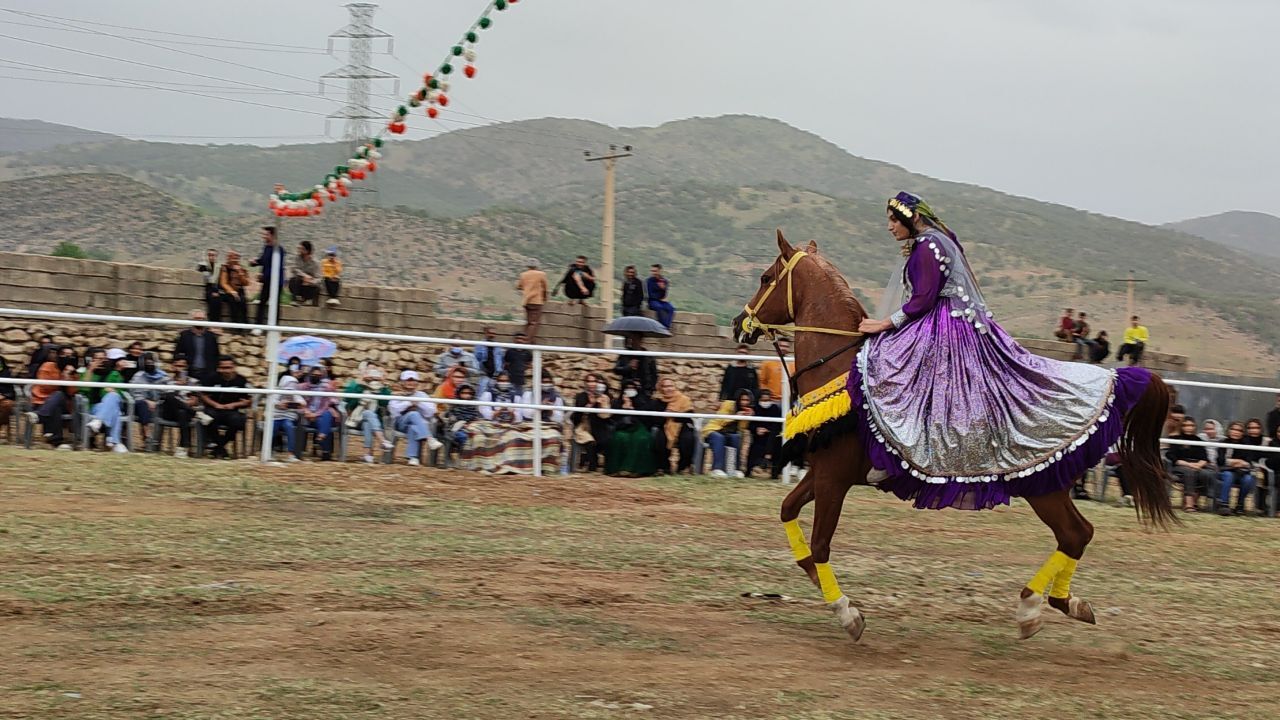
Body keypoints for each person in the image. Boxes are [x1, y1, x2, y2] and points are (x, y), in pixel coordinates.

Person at [853, 191, 1158, 510]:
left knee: (891, 366)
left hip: (947, 325)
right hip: (944, 321)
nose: (889, 226)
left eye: (892, 219)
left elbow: (924, 299)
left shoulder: (929, 244)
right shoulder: (933, 241)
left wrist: (885, 323)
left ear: (912, 217)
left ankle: (895, 455)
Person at [199, 355, 251, 459]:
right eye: (223, 368)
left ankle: (219, 447)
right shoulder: (211, 378)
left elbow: (248, 400)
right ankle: (221, 448)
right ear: (218, 368)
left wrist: (233, 405)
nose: (226, 370)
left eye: (229, 367)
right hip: (214, 409)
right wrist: (215, 404)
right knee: (207, 418)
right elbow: (202, 394)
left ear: (234, 367)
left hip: (231, 411)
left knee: (237, 421)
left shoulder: (242, 380)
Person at [606, 379, 658, 477]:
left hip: (640, 426)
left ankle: (636, 470)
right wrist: (624, 408)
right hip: (622, 427)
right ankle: (616, 469)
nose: (630, 390)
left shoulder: (644, 401)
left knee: (640, 439)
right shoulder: (617, 402)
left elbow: (648, 418)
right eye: (627, 388)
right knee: (619, 438)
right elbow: (613, 418)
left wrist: (633, 409)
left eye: (632, 388)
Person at [389, 370, 442, 467]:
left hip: (418, 425)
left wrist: (419, 402)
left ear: (417, 383)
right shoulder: (397, 394)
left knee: (413, 427)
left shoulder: (422, 395)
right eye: (408, 380)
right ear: (402, 382)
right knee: (413, 414)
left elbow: (431, 411)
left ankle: (413, 458)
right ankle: (429, 438)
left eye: (413, 380)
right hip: (400, 423)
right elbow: (394, 411)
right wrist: (409, 402)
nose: (411, 383)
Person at [343, 364, 394, 464]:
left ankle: (367, 454)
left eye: (375, 371)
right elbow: (348, 400)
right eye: (369, 371)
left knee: (368, 420)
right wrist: (361, 384)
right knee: (368, 413)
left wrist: (382, 384)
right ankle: (382, 440)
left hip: (373, 422)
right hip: (355, 420)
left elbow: (385, 403)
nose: (373, 374)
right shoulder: (357, 385)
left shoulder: (382, 388)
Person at [82, 348, 130, 453]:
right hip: (94, 406)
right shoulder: (86, 372)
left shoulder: (113, 373)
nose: (102, 361)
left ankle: (98, 421)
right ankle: (115, 442)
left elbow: (121, 390)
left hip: (109, 403)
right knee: (115, 411)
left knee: (113, 396)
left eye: (104, 359)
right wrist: (90, 370)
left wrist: (112, 391)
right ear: (91, 360)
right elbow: (83, 389)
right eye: (98, 359)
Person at [31, 345, 77, 449]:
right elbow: (44, 386)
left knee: (59, 395)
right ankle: (57, 441)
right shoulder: (47, 366)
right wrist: (61, 379)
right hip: (42, 402)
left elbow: (72, 392)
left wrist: (67, 376)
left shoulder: (73, 371)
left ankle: (40, 416)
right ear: (58, 356)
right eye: (65, 355)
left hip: (66, 405)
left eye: (71, 356)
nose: (68, 358)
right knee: (56, 406)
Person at [702, 389, 755, 477]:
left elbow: (742, 429)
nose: (744, 403)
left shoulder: (748, 410)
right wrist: (735, 416)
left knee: (736, 437)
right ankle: (717, 469)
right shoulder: (728, 404)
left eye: (747, 400)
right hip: (714, 430)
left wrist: (747, 418)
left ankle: (735, 469)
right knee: (719, 437)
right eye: (742, 400)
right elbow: (721, 420)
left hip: (729, 434)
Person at [1168, 416, 1214, 512]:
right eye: (1186, 425)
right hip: (1180, 466)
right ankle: (1189, 504)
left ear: (1194, 427)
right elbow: (1173, 457)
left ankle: (1196, 502)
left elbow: (1204, 458)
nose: (1188, 428)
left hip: (1197, 466)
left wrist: (1198, 465)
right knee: (1189, 472)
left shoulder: (1198, 440)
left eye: (1191, 425)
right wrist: (1189, 465)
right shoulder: (1175, 439)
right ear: (1181, 427)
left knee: (1206, 474)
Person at [1217, 420, 1262, 515]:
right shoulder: (1223, 442)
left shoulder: (1246, 444)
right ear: (1228, 430)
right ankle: (1224, 505)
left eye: (1239, 430)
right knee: (1228, 475)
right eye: (1233, 429)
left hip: (1242, 472)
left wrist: (1236, 462)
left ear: (1243, 433)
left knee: (1249, 479)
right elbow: (1221, 460)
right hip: (1225, 472)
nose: (1235, 432)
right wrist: (1237, 461)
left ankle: (1240, 506)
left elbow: (1249, 462)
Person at [571, 372, 614, 472]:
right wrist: (589, 405)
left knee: (607, 440)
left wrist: (602, 404)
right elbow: (576, 416)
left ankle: (608, 468)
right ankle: (592, 468)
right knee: (590, 442)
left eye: (594, 381)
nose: (591, 384)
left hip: (600, 427)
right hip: (583, 427)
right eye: (589, 381)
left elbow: (606, 417)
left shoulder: (606, 397)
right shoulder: (581, 396)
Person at [159, 354, 199, 458]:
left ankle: (183, 447)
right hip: (169, 412)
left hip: (185, 413)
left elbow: (194, 401)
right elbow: (163, 399)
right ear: (173, 366)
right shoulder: (165, 381)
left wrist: (184, 404)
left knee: (182, 412)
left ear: (187, 367)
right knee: (170, 396)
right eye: (178, 366)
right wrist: (177, 386)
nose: (180, 369)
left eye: (183, 366)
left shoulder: (193, 382)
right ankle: (196, 414)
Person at [652, 377, 695, 475]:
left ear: (675, 387)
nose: (668, 389)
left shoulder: (684, 400)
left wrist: (672, 415)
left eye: (671, 386)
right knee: (660, 439)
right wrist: (666, 416)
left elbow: (689, 416)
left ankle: (683, 467)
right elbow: (656, 419)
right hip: (663, 426)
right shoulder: (658, 401)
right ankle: (664, 467)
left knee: (688, 439)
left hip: (682, 426)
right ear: (661, 388)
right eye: (665, 386)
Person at [299, 363, 340, 460]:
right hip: (306, 416)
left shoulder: (327, 388)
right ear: (309, 375)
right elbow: (298, 401)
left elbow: (329, 402)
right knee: (326, 419)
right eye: (313, 375)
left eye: (318, 376)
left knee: (326, 416)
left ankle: (322, 443)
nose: (316, 377)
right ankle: (322, 444)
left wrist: (316, 414)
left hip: (320, 414)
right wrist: (307, 412)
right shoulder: (303, 387)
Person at [129, 351, 168, 449]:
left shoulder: (164, 376)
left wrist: (157, 402)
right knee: (142, 405)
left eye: (152, 362)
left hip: (159, 406)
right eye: (147, 363)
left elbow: (168, 392)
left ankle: (153, 441)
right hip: (142, 405)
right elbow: (134, 393)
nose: (150, 365)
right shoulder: (138, 376)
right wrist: (147, 401)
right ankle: (147, 436)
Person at [250, 225, 284, 334]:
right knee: (262, 302)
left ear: (272, 235)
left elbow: (275, 266)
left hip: (276, 281)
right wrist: (255, 262)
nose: (263, 236)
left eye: (266, 234)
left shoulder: (279, 250)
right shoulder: (266, 247)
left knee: (275, 304)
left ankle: (274, 328)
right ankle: (258, 326)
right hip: (267, 281)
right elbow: (264, 261)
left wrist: (263, 276)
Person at [174, 309, 221, 384]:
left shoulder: (211, 336)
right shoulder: (185, 335)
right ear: (192, 320)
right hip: (189, 373)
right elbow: (177, 354)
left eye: (202, 319)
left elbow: (216, 355)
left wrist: (214, 371)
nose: (200, 320)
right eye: (198, 318)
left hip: (208, 373)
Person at [272, 363, 305, 462]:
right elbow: (273, 402)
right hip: (276, 417)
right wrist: (279, 404)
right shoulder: (277, 393)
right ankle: (269, 450)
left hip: (288, 418)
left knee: (289, 427)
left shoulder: (295, 394)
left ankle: (291, 454)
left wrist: (297, 404)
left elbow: (302, 402)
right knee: (272, 428)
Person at [748, 388, 783, 478]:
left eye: (767, 400)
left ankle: (770, 462)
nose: (766, 402)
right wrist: (757, 429)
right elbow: (750, 425)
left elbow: (778, 425)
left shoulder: (775, 409)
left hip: (773, 436)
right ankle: (765, 458)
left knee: (775, 438)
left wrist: (768, 430)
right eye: (763, 400)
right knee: (757, 446)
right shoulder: (755, 409)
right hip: (758, 437)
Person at [516, 258, 548, 342]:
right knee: (534, 322)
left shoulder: (523, 275)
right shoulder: (541, 274)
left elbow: (519, 286)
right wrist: (545, 297)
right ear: (537, 266)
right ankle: (527, 340)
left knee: (529, 321)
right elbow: (545, 288)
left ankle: (526, 337)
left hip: (526, 301)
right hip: (537, 301)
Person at [218, 250, 250, 331]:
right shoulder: (225, 268)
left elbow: (246, 283)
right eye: (232, 257)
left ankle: (245, 325)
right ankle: (235, 326)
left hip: (239, 290)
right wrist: (231, 291)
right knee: (233, 302)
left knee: (243, 302)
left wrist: (240, 273)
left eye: (236, 257)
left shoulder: (242, 269)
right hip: (228, 291)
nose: (234, 259)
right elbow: (223, 282)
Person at [288, 240, 322, 306]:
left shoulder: (315, 263)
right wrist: (304, 276)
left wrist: (310, 282)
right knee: (294, 280)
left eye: (301, 249)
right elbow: (294, 269)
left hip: (309, 286)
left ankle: (306, 299)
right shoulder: (297, 258)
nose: (299, 250)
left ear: (307, 251)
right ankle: (294, 300)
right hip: (298, 284)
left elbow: (319, 279)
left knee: (317, 288)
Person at [646, 264, 675, 330]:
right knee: (659, 308)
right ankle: (661, 325)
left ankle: (667, 326)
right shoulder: (649, 281)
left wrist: (663, 289)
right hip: (653, 301)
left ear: (659, 271)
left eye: (655, 271)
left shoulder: (664, 281)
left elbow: (664, 295)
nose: (653, 273)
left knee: (670, 308)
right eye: (652, 271)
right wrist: (659, 296)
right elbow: (650, 294)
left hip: (661, 301)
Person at [197, 248, 221, 323]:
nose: (211, 257)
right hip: (207, 288)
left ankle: (216, 323)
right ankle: (212, 322)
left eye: (213, 255)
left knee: (218, 300)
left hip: (216, 288)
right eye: (210, 255)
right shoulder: (203, 266)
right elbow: (207, 279)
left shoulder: (219, 267)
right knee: (213, 299)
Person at [0, 355, 14, 440]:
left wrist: (3, 396)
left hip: (5, 398)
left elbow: (12, 392)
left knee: (7, 405)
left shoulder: (7, 374)